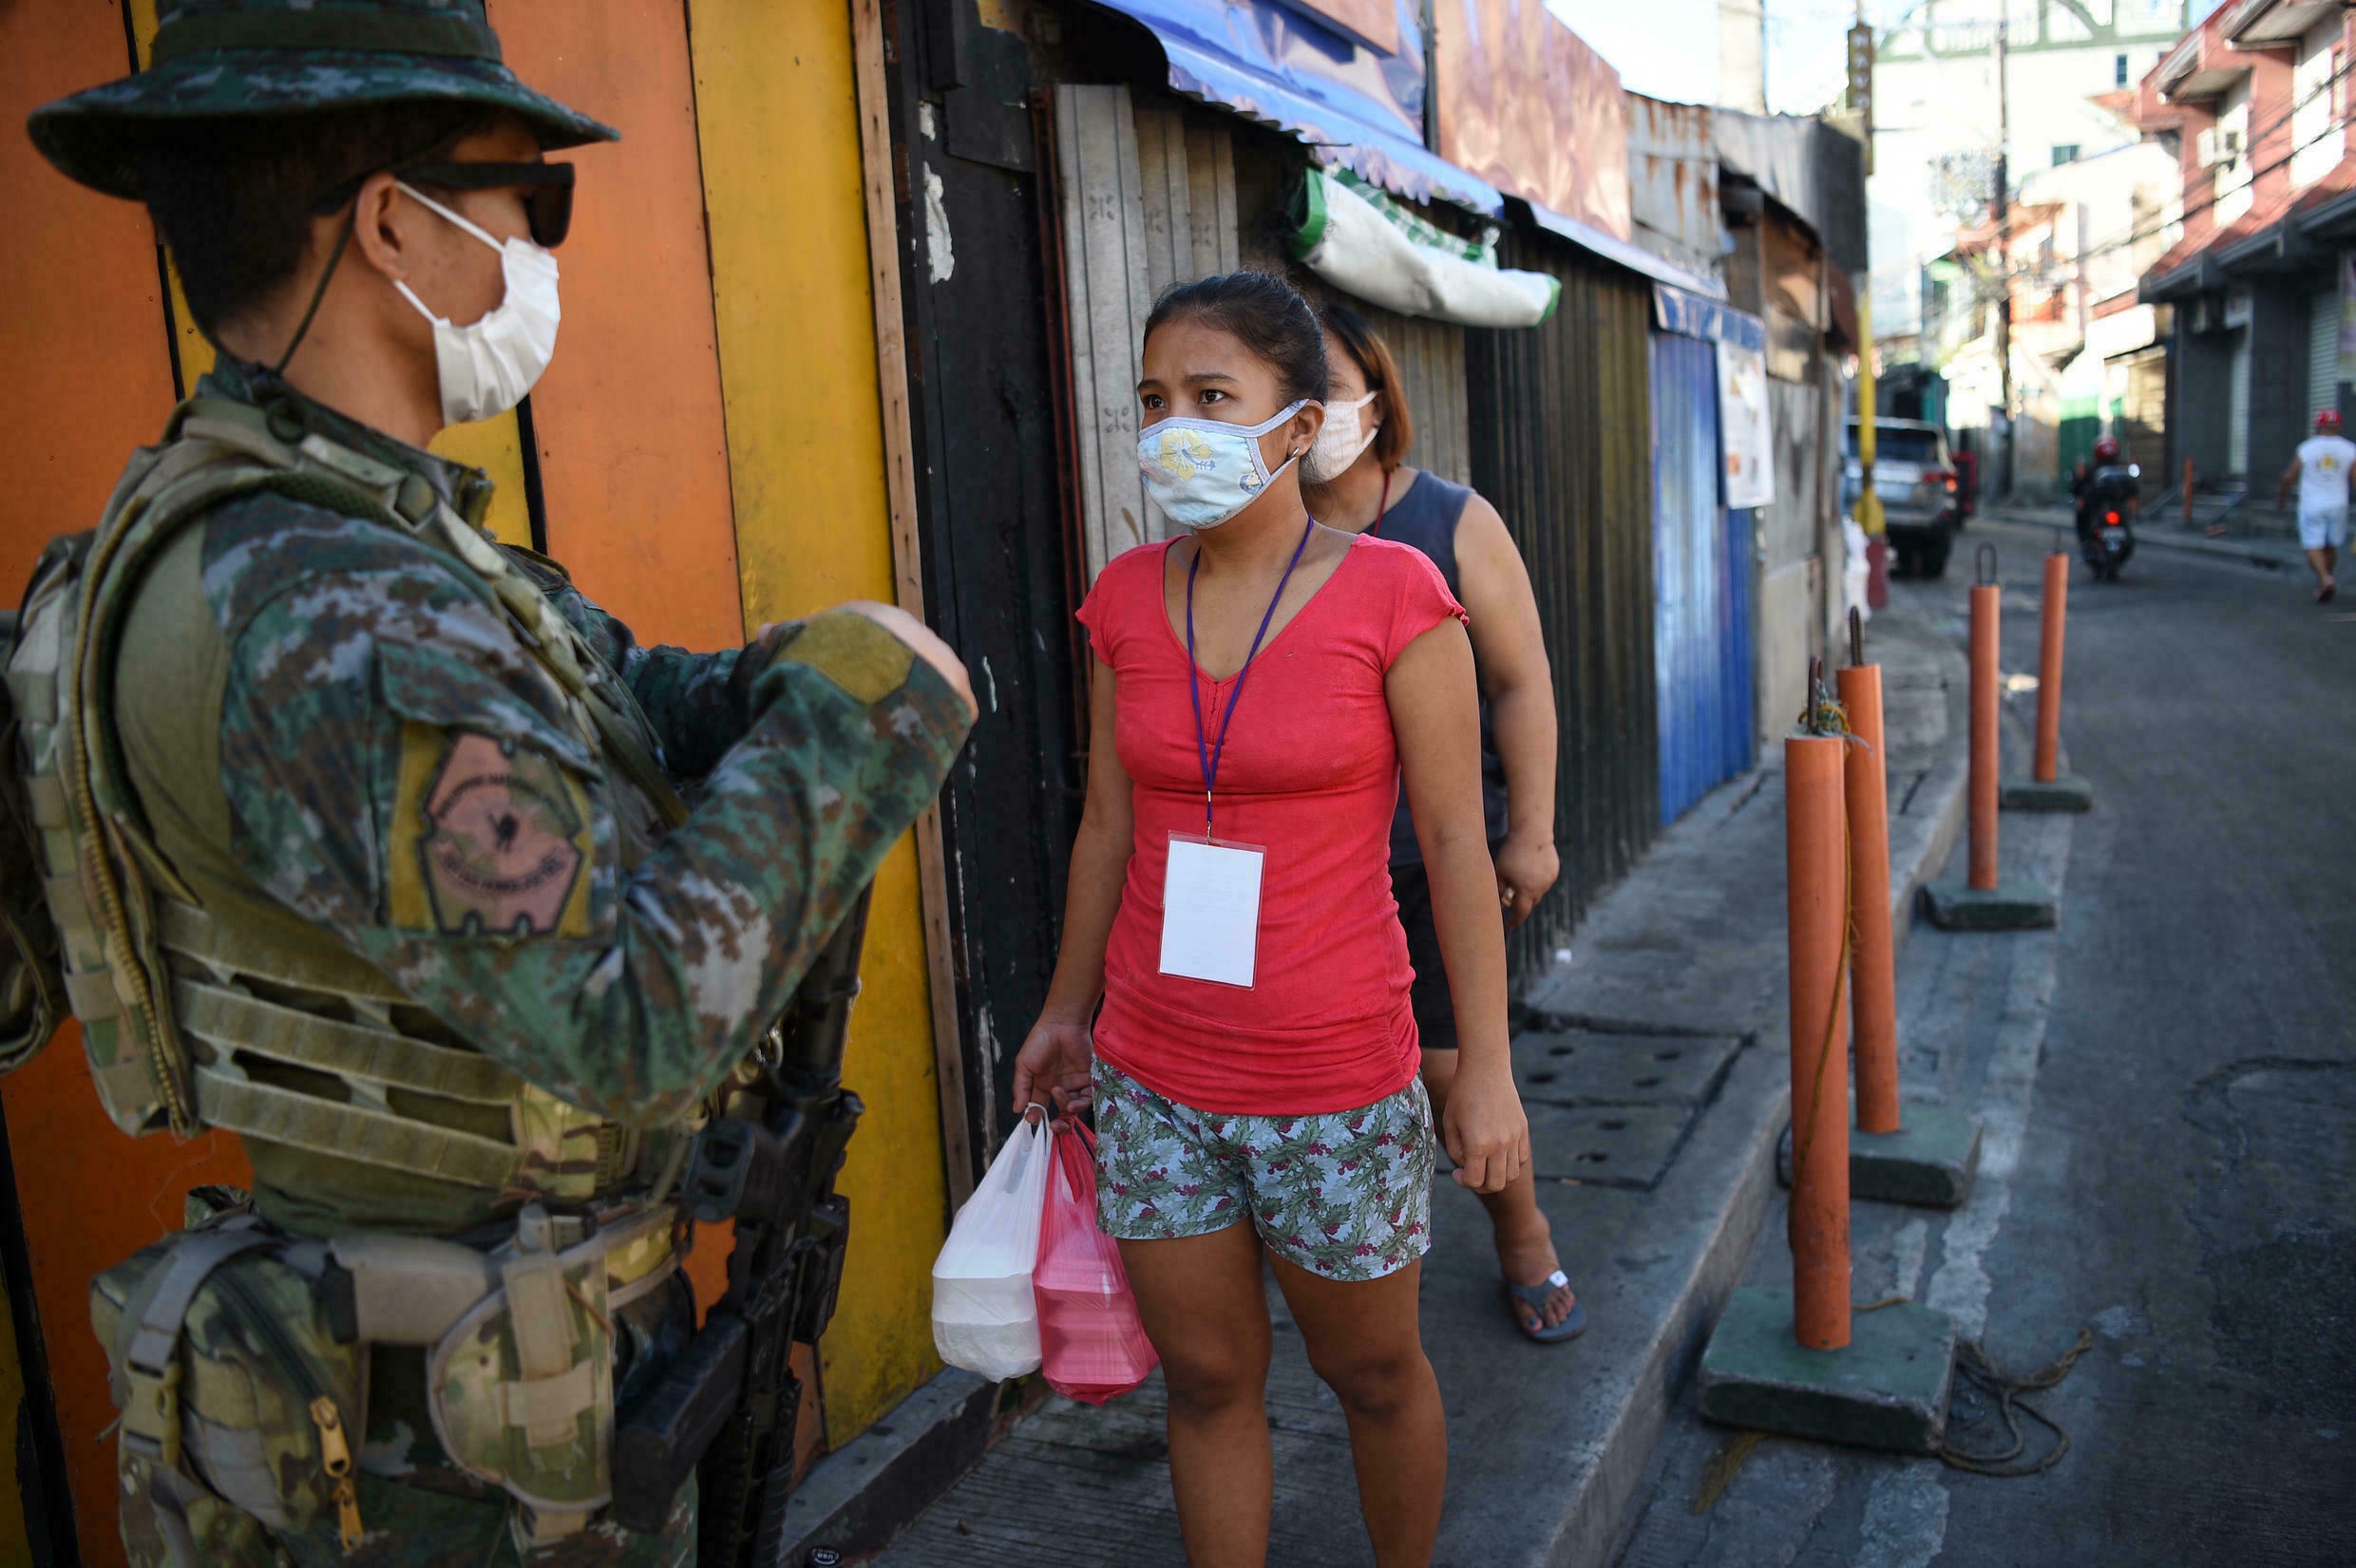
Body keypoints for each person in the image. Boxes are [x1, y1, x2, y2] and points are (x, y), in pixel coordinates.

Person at [15, 3, 976, 1562]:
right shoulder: (326, 614)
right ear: (394, 222)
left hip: (458, 1380)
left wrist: (761, 680)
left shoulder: (330, 544)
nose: (544, 251)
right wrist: (869, 722)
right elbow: (626, 1026)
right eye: (536, 200)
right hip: (440, 1460)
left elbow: (597, 698)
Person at [1011, 273, 1529, 1567]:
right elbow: (1106, 830)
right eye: (1153, 398)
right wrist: (1067, 1009)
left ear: (1297, 428)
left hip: (1336, 1078)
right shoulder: (1126, 597)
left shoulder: (1397, 596)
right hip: (1154, 1073)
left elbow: (1460, 847)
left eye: (1210, 397)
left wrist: (1490, 1076)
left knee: (1375, 1374)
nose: (1172, 424)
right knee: (1204, 1379)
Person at [1299, 303, 1584, 1344]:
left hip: (1432, 858)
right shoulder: (1253, 533)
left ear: (1376, 393)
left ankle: (1521, 1229)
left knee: (1448, 1067)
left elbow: (1520, 680)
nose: (1316, 410)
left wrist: (1535, 831)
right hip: (1304, 870)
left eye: (1330, 385)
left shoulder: (1450, 519)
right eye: (1291, 389)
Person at [2277, 408, 2355, 603]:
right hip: (2339, 504)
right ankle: (2325, 581)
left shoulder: (2307, 448)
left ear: (2317, 426)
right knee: (2331, 545)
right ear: (2338, 426)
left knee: (2312, 544)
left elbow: (2289, 476)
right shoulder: (2350, 449)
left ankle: (2324, 578)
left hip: (2312, 504)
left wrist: (2282, 496)